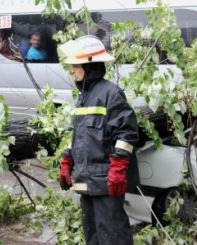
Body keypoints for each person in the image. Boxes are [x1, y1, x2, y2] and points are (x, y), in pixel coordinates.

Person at [58, 35, 139, 245]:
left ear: (89, 65)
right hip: (86, 180)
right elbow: (80, 135)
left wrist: (119, 168)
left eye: (75, 65)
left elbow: (126, 133)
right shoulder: (83, 96)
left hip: (105, 182)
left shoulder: (111, 94)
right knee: (92, 238)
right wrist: (67, 160)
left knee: (113, 237)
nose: (72, 69)